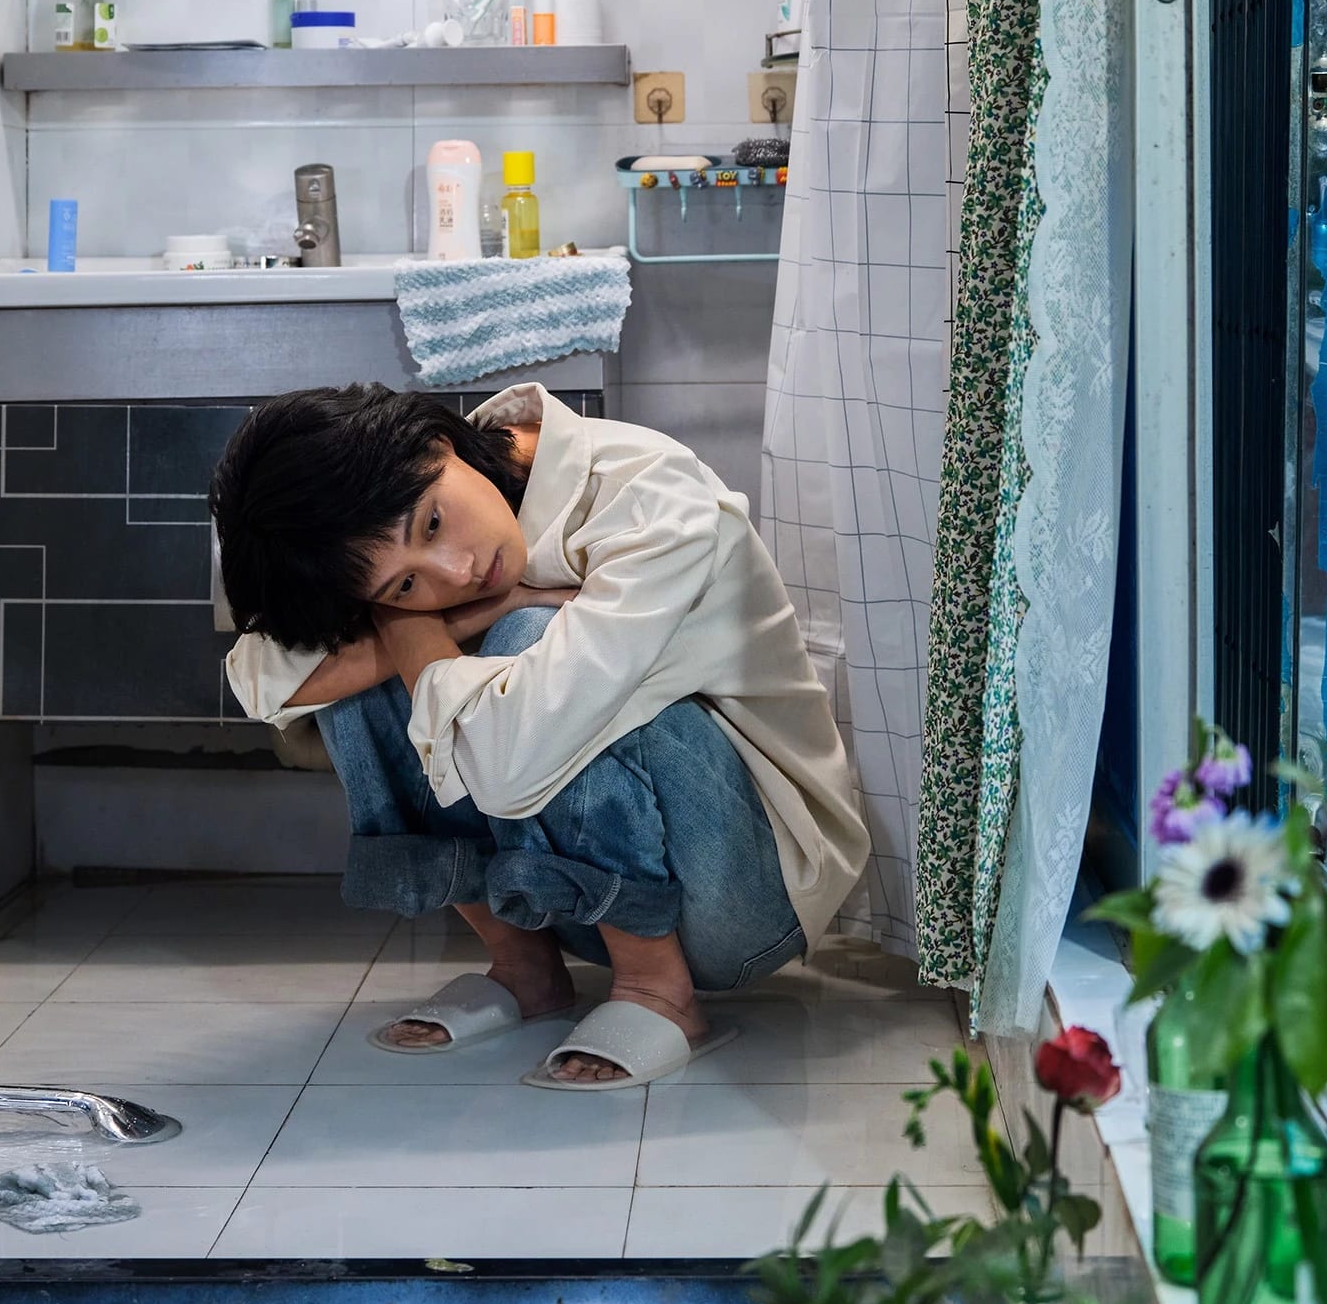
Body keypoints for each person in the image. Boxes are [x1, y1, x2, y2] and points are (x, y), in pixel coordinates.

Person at [210, 381, 867, 1089]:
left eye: (431, 525)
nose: (456, 570)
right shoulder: (443, 496)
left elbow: (511, 766)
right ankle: (525, 967)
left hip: (749, 893)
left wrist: (425, 619)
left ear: (438, 445)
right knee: (364, 680)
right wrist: (429, 619)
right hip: (571, 900)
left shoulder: (648, 493)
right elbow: (259, 676)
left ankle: (659, 992)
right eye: (403, 583)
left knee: (522, 642)